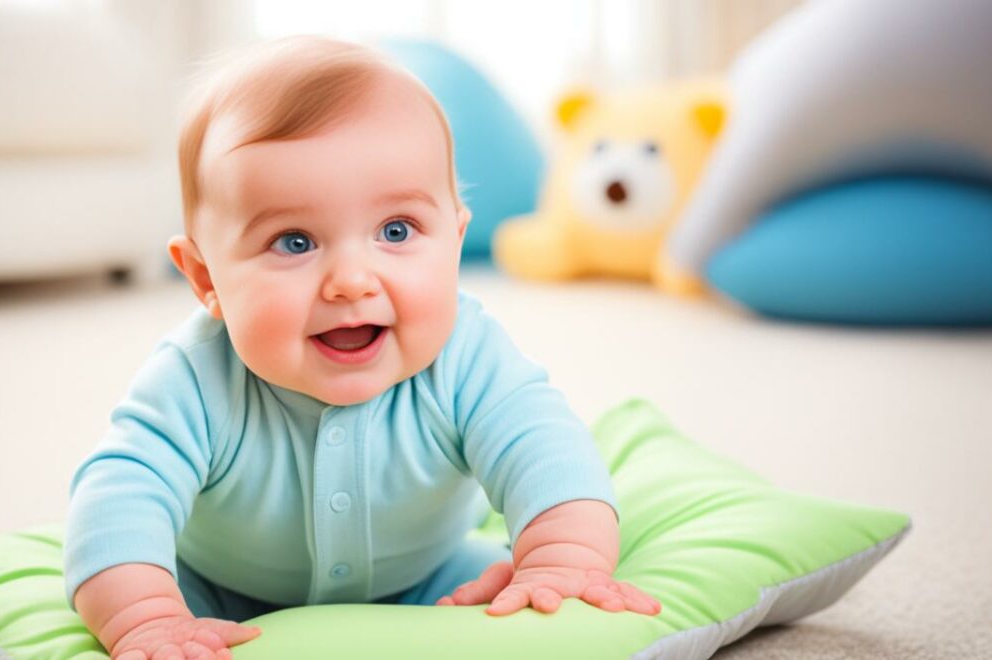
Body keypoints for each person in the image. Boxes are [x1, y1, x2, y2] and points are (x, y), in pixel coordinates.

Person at [65, 36, 660, 660]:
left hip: (428, 584)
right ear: (206, 279)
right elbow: (117, 495)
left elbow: (545, 448)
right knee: (137, 578)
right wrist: (148, 618)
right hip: (218, 598)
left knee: (497, 586)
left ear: (455, 242)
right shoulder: (195, 378)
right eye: (294, 241)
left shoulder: (467, 355)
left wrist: (560, 560)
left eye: (396, 231)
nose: (351, 280)